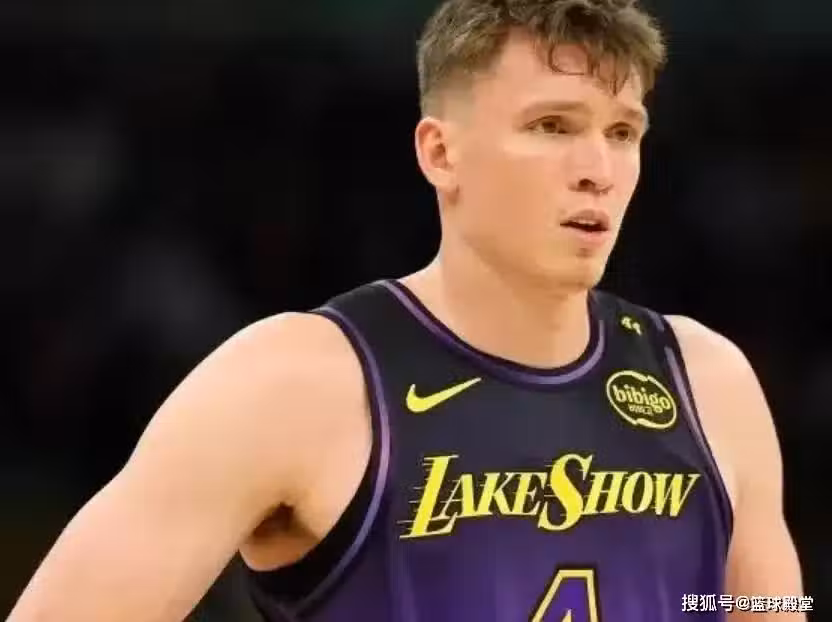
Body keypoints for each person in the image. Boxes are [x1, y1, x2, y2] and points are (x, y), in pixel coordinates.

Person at [9, 0, 808, 621]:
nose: (598, 168)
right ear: (440, 152)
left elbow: (767, 607)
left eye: (623, 132)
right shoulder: (294, 381)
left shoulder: (711, 380)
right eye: (552, 126)